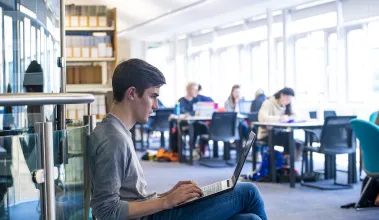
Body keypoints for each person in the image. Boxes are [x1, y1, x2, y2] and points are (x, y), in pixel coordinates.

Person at [89, 59, 267, 220]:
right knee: (248, 191)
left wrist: (168, 195)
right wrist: (166, 202)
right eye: (153, 96)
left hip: (153, 212)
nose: (157, 105)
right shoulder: (114, 140)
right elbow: (106, 211)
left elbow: (132, 197)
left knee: (250, 219)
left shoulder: (117, 130)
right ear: (132, 93)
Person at [258, 87, 301, 157]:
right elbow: (263, 118)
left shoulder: (286, 105)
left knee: (295, 141)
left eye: (290, 100)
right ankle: (284, 161)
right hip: (266, 134)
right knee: (289, 139)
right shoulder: (268, 103)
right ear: (281, 95)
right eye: (287, 99)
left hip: (279, 133)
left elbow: (294, 115)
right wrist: (279, 118)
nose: (288, 101)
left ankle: (285, 161)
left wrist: (288, 118)